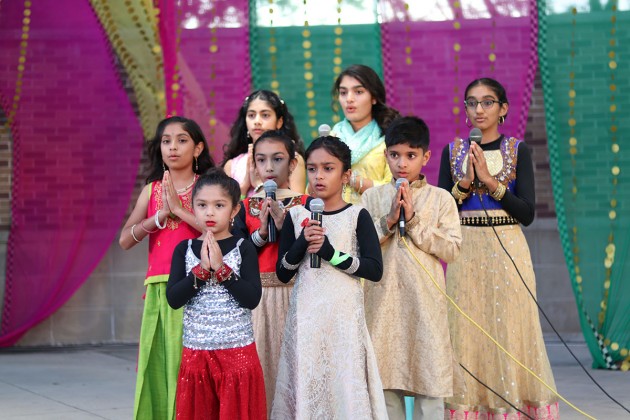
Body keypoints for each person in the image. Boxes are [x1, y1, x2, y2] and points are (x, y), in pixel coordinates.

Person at [437, 78, 559, 419]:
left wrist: (491, 184)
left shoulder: (518, 150)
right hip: (466, 251)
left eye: (488, 102)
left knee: (511, 327)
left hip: (508, 248)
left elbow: (528, 213)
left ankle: (513, 408)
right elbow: (442, 211)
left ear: (503, 109)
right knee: (466, 330)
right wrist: (463, 184)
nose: (479, 109)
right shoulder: (453, 151)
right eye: (472, 103)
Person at [272, 136, 387, 419]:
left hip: (343, 316)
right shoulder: (295, 215)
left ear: (346, 175)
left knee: (343, 383)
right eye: (312, 169)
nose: (318, 176)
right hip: (307, 316)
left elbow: (374, 269)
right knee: (309, 379)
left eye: (328, 168)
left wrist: (331, 253)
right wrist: (301, 244)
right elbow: (283, 273)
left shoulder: (358, 215)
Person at [362, 116, 462, 419]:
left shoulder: (441, 199)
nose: (402, 163)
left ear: (426, 157)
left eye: (410, 155)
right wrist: (388, 222)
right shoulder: (373, 197)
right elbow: (359, 248)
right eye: (394, 155)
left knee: (429, 380)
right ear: (385, 155)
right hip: (382, 304)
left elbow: (452, 249)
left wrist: (414, 220)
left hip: (425, 304)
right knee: (385, 383)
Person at [119, 116, 214, 420]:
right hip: (160, 288)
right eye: (166, 141)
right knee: (158, 363)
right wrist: (158, 218)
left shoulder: (208, 187)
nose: (173, 147)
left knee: (190, 365)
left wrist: (179, 211)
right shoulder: (151, 190)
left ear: (198, 148)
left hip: (199, 286)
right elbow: (124, 240)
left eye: (182, 140)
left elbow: (220, 231)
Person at [166, 168, 265, 419]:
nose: (209, 212)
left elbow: (252, 299)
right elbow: (174, 299)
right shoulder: (184, 249)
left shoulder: (244, 248)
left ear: (233, 211)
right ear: (193, 208)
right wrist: (200, 272)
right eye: (202, 205)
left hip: (237, 352)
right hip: (196, 353)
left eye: (219, 205)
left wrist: (222, 271)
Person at [231, 130, 311, 414]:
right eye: (261, 160)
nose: (269, 167)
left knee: (296, 371)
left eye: (277, 159)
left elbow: (313, 253)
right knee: (261, 369)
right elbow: (236, 256)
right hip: (258, 301)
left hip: (297, 298)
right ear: (253, 165)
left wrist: (287, 228)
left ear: (292, 164)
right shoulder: (243, 208)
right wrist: (261, 236)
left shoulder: (306, 205)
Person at [328, 64, 400, 203]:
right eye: (343, 93)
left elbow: (393, 188)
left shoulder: (389, 138)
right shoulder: (332, 137)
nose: (349, 99)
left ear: (374, 97)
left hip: (377, 219)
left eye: (358, 92)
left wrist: (351, 179)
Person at [222, 90, 306, 197]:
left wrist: (259, 185)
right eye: (251, 115)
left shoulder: (293, 159)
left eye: (265, 115)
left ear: (279, 122)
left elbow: (297, 208)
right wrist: (244, 186)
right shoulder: (232, 165)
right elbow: (226, 210)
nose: (257, 121)